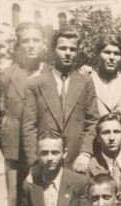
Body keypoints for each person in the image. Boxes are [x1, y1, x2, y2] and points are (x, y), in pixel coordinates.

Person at [0, 21, 47, 206]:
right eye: (26, 41)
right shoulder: (6, 76)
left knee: (46, 204)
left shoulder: (52, 74)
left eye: (36, 40)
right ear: (19, 45)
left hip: (47, 154)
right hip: (16, 157)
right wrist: (9, 144)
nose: (31, 45)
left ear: (43, 43)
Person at [22, 28, 98, 174]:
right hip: (46, 161)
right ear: (52, 50)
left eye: (72, 49)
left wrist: (86, 153)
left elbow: (93, 120)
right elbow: (29, 127)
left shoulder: (86, 82)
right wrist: (34, 162)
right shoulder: (35, 84)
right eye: (62, 48)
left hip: (77, 162)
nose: (68, 53)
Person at [90, 35, 121, 142]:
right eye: (107, 52)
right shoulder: (87, 81)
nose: (112, 57)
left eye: (116, 54)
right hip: (94, 144)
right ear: (97, 54)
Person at [86, 112, 121, 183]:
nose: (111, 138)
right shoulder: (90, 166)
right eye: (106, 132)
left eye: (116, 132)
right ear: (98, 137)